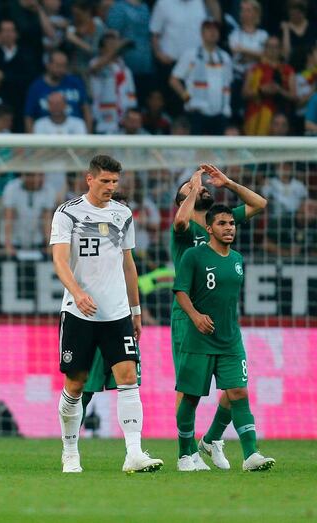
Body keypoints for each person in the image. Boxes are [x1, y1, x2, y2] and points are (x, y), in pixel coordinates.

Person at [50, 154, 163, 473]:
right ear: (90, 179)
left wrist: (136, 310)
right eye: (105, 181)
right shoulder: (67, 213)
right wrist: (78, 292)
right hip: (78, 312)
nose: (110, 187)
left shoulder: (122, 214)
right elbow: (59, 261)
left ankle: (134, 453)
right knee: (76, 384)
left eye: (115, 182)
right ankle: (70, 451)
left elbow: (129, 264)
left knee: (128, 378)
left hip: (116, 313)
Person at [171, 164, 267, 469]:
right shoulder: (185, 229)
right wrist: (193, 184)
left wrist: (228, 183)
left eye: (200, 185)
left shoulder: (221, 223)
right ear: (182, 198)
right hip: (189, 316)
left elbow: (259, 204)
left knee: (235, 387)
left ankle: (213, 439)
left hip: (224, 322)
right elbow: (180, 219)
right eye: (190, 187)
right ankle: (187, 450)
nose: (200, 187)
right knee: (189, 390)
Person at [170, 20, 232, 135]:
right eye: (208, 29)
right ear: (202, 33)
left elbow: (228, 83)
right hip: (197, 112)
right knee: (196, 149)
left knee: (217, 150)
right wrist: (187, 97)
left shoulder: (225, 58)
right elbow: (174, 79)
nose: (212, 32)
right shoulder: (191, 55)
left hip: (220, 113)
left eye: (215, 29)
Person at [0, 18, 38, 133]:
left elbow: (28, 79)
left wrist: (4, 76)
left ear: (16, 34)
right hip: (0, 105)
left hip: (21, 103)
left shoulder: (26, 54)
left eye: (11, 30)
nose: (8, 34)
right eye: (4, 31)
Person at [24, 50, 91, 133]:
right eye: (58, 65)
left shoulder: (75, 82)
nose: (61, 69)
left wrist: (88, 136)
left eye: (64, 66)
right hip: (45, 133)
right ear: (48, 65)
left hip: (74, 132)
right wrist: (32, 142)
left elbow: (86, 109)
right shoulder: (36, 87)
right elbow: (29, 116)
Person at [242, 36, 297, 136]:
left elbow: (294, 96)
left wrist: (279, 90)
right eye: (269, 46)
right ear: (265, 48)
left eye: (276, 47)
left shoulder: (288, 70)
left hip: (281, 115)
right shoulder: (254, 69)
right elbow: (244, 93)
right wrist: (261, 90)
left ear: (280, 50)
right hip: (257, 115)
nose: (272, 50)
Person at [88, 32, 136, 134]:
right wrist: (117, 49)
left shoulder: (125, 69)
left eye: (115, 44)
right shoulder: (95, 63)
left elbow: (131, 99)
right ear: (101, 48)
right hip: (102, 120)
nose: (114, 47)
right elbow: (94, 69)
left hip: (121, 122)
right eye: (110, 45)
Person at [1, 172, 56, 256]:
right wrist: (8, 245)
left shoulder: (49, 189)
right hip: (15, 242)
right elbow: (9, 218)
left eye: (42, 175)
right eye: (39, 176)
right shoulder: (11, 188)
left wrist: (50, 244)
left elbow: (47, 220)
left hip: (37, 242)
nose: (41, 179)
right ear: (26, 177)